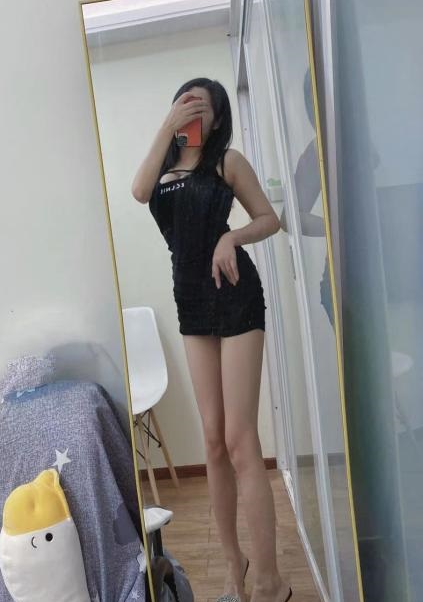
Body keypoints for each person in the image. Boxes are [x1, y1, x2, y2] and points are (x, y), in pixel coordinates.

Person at [131, 78, 292, 602]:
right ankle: (233, 563)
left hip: (235, 293)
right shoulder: (161, 169)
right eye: (184, 104)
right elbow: (138, 191)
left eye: (202, 107)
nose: (192, 113)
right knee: (214, 440)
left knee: (242, 442)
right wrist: (167, 128)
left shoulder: (228, 162)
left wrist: (231, 235)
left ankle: (269, 581)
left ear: (218, 117)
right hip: (191, 302)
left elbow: (270, 219)